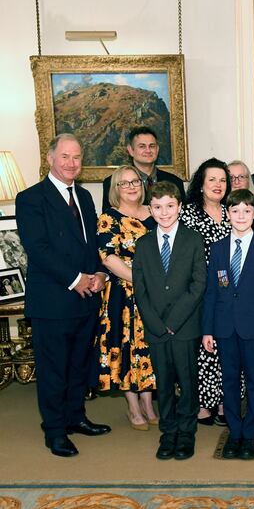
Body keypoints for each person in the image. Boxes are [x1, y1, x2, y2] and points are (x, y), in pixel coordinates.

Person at [16, 133, 110, 457]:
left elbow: (91, 245)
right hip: (53, 300)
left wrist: (100, 273)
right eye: (65, 156)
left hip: (86, 299)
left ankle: (76, 417)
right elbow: (38, 249)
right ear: (50, 158)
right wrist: (75, 279)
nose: (72, 163)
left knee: (79, 364)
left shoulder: (84, 197)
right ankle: (54, 431)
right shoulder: (30, 199)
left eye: (77, 157)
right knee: (54, 368)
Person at [132, 181, 207, 460]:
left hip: (184, 325)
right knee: (163, 382)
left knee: (187, 380)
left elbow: (198, 284)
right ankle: (169, 431)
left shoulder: (192, 239)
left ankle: (186, 432)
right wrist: (155, 322)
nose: (164, 213)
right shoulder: (144, 244)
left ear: (180, 207)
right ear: (150, 209)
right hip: (155, 327)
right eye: (158, 207)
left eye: (170, 206)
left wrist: (173, 320)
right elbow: (140, 288)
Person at [203, 189, 254, 461]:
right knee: (230, 382)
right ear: (228, 214)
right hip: (224, 329)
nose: (241, 216)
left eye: (247, 211)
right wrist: (207, 329)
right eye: (235, 211)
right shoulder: (219, 248)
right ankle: (235, 432)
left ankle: (251, 433)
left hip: (253, 330)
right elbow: (212, 291)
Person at [95, 166, 158, 430]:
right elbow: (108, 257)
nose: (131, 187)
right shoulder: (108, 217)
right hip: (124, 294)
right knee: (125, 346)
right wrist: (142, 279)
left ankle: (147, 401)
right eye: (124, 183)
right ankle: (133, 406)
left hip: (156, 293)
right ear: (115, 189)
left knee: (149, 348)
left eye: (135, 181)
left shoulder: (155, 212)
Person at [179, 158, 232, 425]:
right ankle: (202, 404)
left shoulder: (232, 212)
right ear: (201, 183)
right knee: (201, 348)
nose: (217, 185)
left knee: (225, 346)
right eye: (212, 179)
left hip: (227, 293)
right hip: (196, 291)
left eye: (222, 180)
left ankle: (224, 402)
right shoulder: (187, 213)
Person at [101, 126, 185, 210]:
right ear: (130, 150)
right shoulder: (113, 182)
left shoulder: (175, 182)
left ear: (157, 149)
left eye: (152, 146)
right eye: (142, 146)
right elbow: (108, 219)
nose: (148, 150)